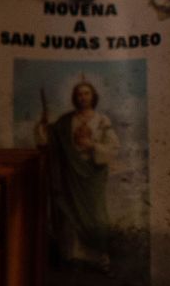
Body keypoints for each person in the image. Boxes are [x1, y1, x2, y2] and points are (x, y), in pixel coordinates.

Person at [36, 79, 119, 273]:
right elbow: (50, 142)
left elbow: (113, 147)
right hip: (70, 174)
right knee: (71, 214)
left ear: (93, 96)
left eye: (86, 93)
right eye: (79, 94)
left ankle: (100, 258)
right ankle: (73, 258)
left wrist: (92, 146)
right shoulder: (66, 121)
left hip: (92, 174)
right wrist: (44, 126)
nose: (83, 97)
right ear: (75, 97)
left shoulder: (102, 120)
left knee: (95, 214)